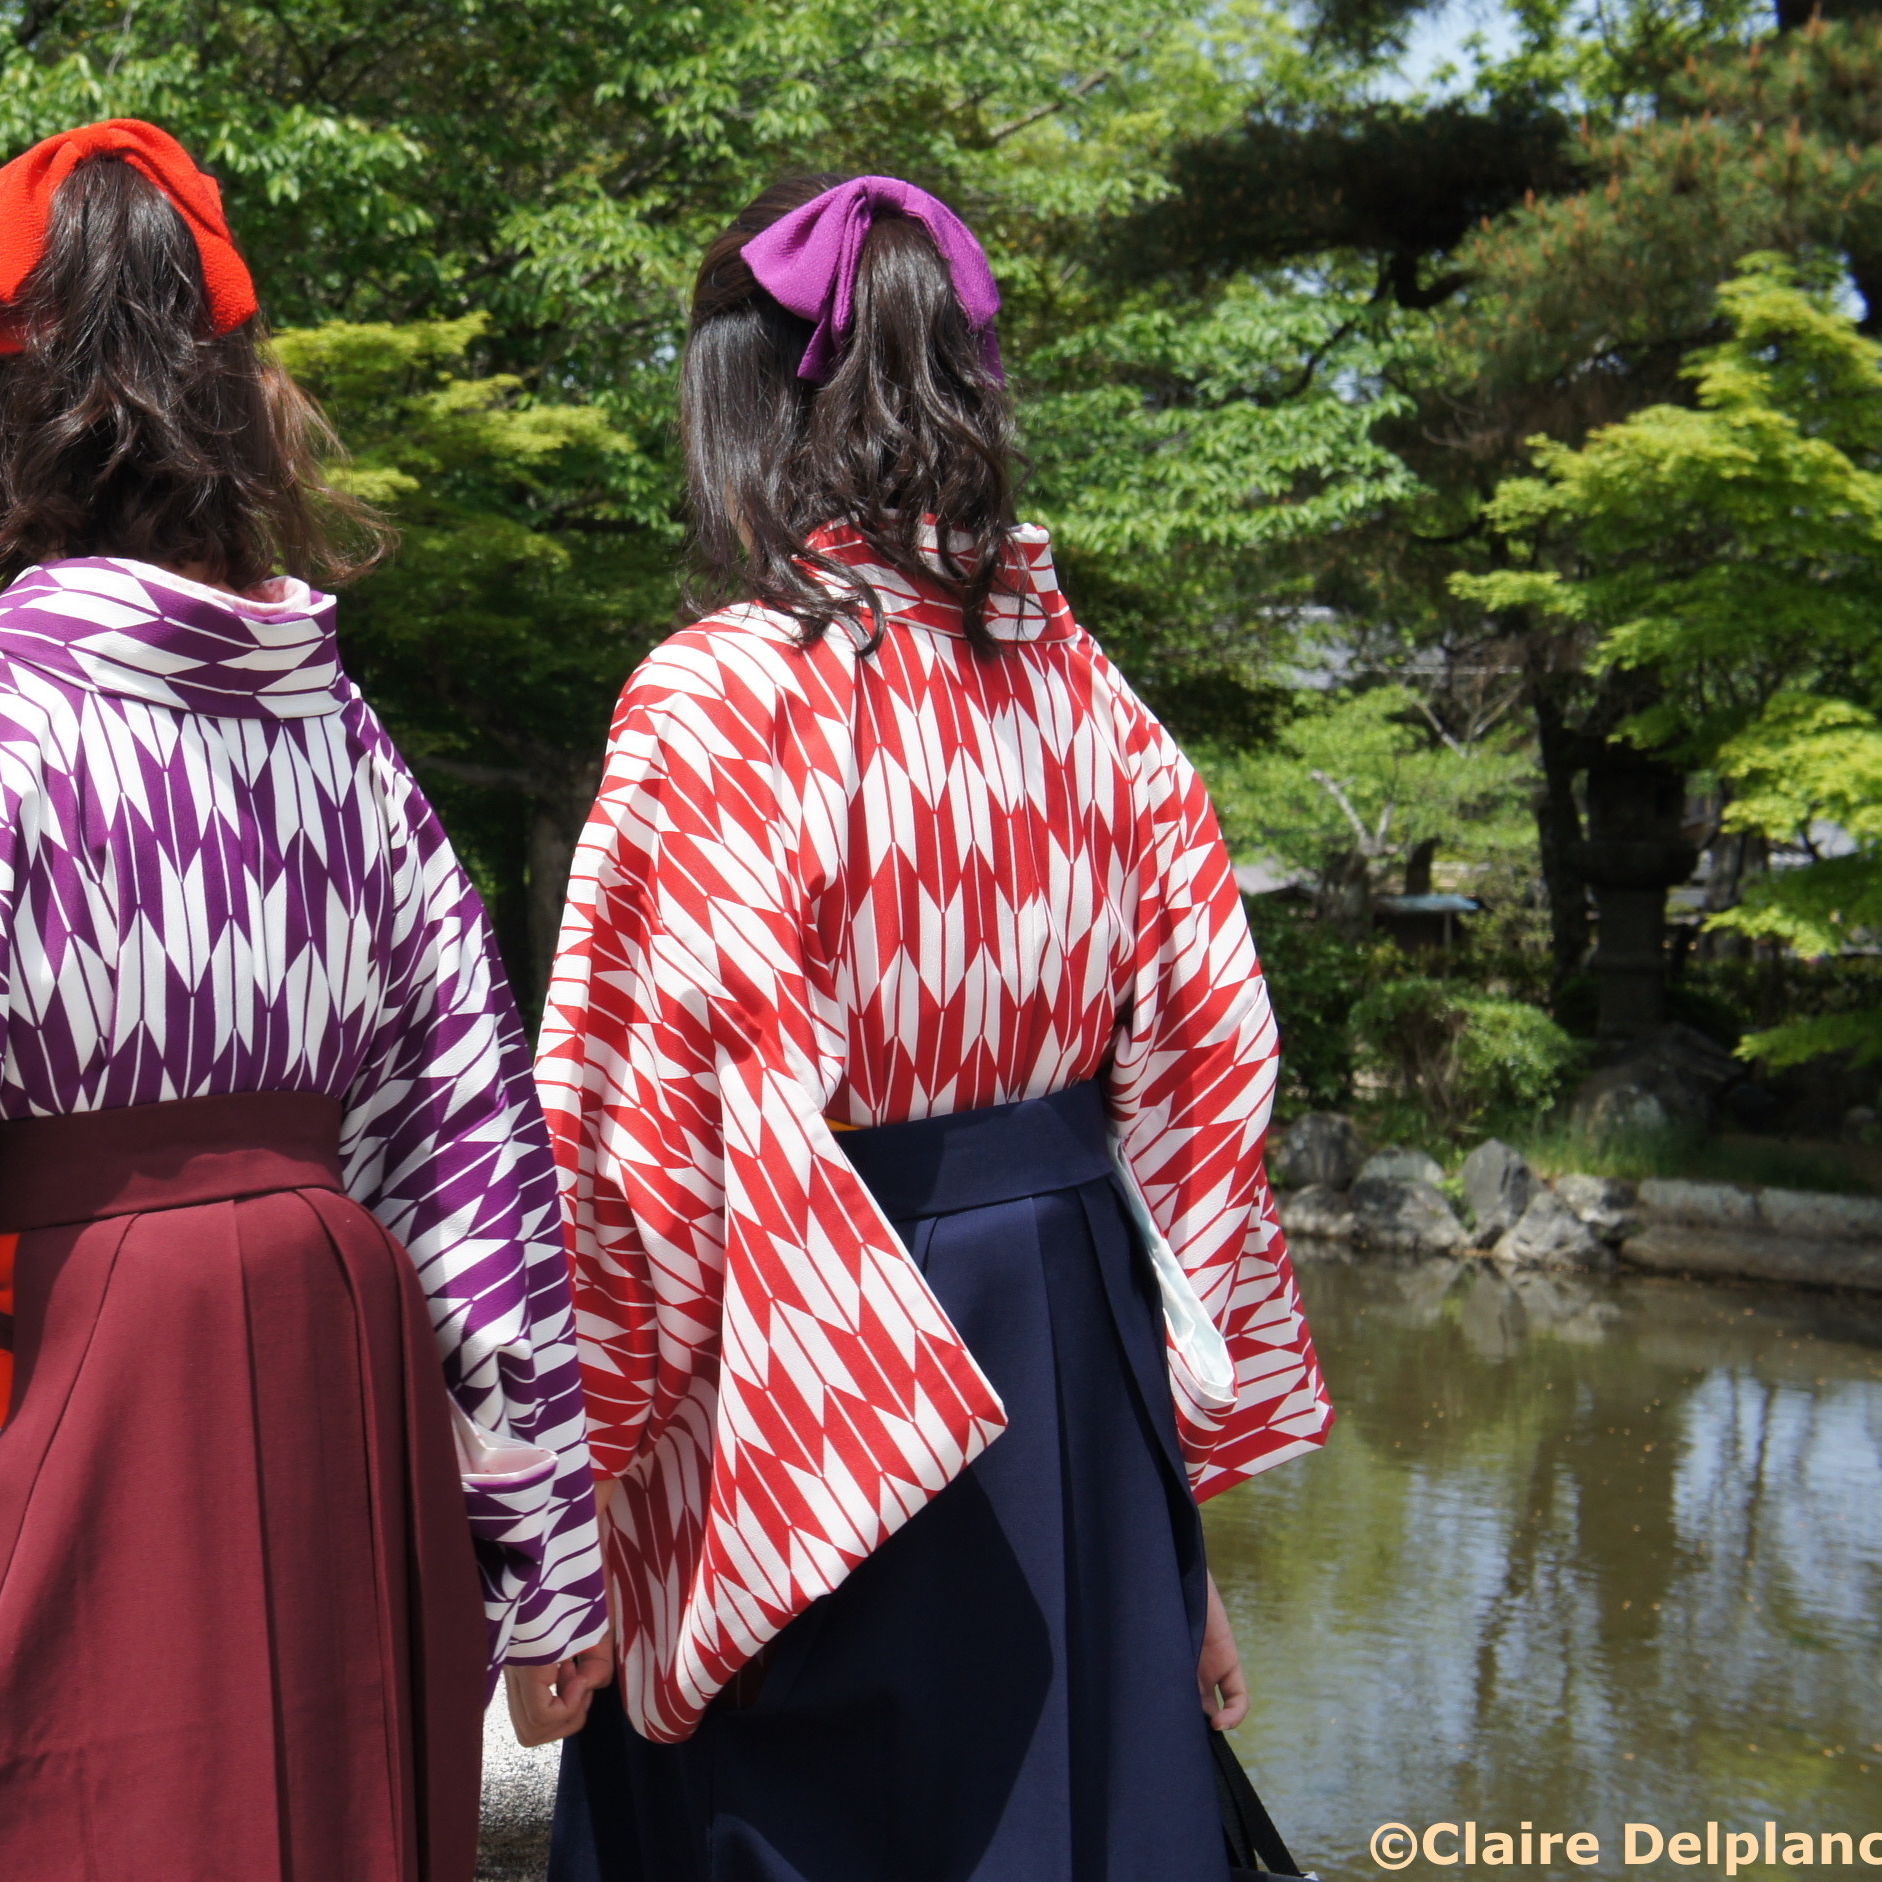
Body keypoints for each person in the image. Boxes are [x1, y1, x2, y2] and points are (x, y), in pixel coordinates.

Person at [0, 120, 612, 1882]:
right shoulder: (341, 743)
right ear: (235, 404)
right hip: (336, 1459)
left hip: (49, 1465)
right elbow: (475, 1177)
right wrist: (549, 1577)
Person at [533, 175, 1335, 1881]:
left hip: (830, 1357)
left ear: (737, 402)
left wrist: (570, 1509)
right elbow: (1211, 1075)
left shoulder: (720, 698)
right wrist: (1178, 1515)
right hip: (1071, 1327)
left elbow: (643, 1161)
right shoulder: (1085, 692)